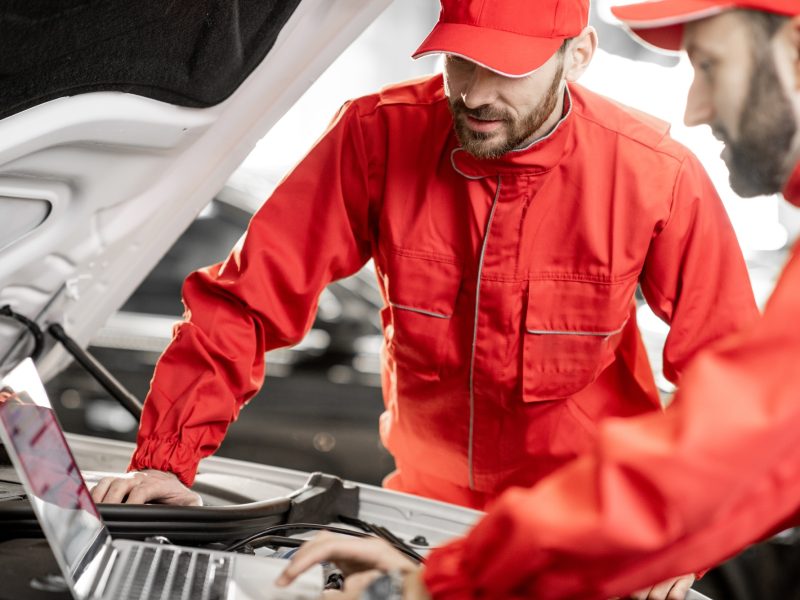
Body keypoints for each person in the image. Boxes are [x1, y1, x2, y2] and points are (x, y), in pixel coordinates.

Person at [276, 1, 800, 599]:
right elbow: (743, 443)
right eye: (460, 62)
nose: (694, 109)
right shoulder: (380, 136)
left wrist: (682, 538)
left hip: (582, 544)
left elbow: (728, 437)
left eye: (708, 64)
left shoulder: (653, 174)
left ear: (576, 59)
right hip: (440, 521)